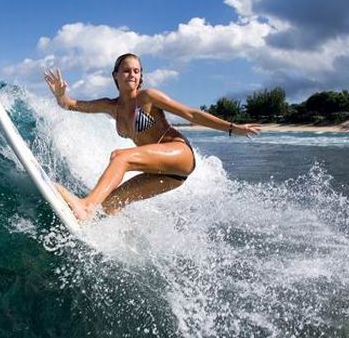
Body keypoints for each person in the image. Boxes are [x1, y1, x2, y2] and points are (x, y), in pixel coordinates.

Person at [44, 53, 260, 221]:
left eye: (136, 71)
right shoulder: (111, 106)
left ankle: (86, 206)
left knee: (120, 156)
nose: (132, 74)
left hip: (179, 154)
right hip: (167, 175)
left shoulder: (147, 97)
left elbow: (191, 114)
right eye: (126, 70)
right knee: (111, 203)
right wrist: (61, 95)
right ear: (115, 75)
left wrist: (233, 128)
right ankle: (111, 234)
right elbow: (71, 105)